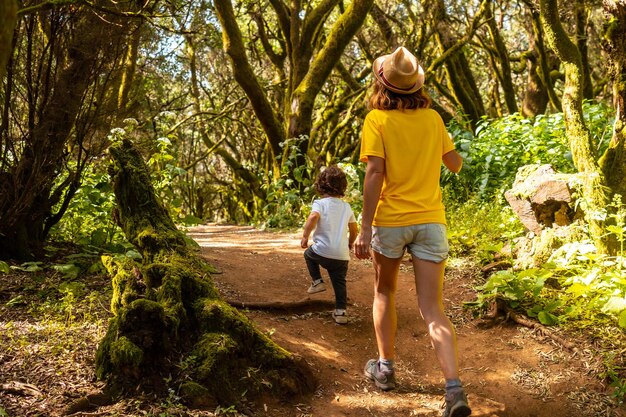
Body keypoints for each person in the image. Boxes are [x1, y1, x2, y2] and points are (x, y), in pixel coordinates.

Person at [353, 46, 470, 417]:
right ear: (416, 85)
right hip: (431, 221)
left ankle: (385, 369)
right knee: (433, 309)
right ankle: (454, 390)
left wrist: (365, 224)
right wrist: (439, 147)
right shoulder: (433, 119)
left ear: (381, 83)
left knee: (384, 291)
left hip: (391, 221)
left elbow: (374, 173)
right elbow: (455, 165)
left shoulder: (376, 120)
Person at [301, 165, 359, 325]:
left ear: (320, 185)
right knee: (339, 282)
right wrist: (350, 242)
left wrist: (305, 236)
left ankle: (317, 282)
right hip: (341, 256)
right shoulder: (346, 207)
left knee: (308, 254)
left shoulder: (320, 203)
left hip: (321, 252)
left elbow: (313, 217)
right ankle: (341, 312)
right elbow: (354, 229)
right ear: (343, 187)